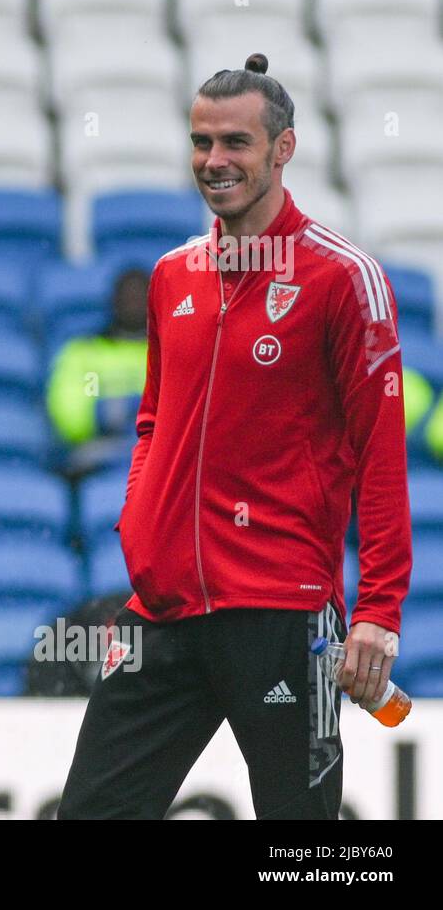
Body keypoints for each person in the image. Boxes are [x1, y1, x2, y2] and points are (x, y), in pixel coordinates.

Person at [59, 54, 412, 820]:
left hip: (285, 616)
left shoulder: (344, 277)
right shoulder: (170, 275)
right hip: (163, 609)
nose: (213, 161)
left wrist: (379, 607)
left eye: (235, 143)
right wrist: (141, 527)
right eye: (201, 142)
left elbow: (381, 456)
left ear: (283, 149)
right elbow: (154, 418)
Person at [46, 268, 149, 475]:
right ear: (113, 301)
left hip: (160, 452)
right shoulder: (83, 352)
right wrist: (110, 412)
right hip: (100, 454)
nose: (133, 303)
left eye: (140, 297)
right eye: (127, 297)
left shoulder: (171, 350)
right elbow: (69, 414)